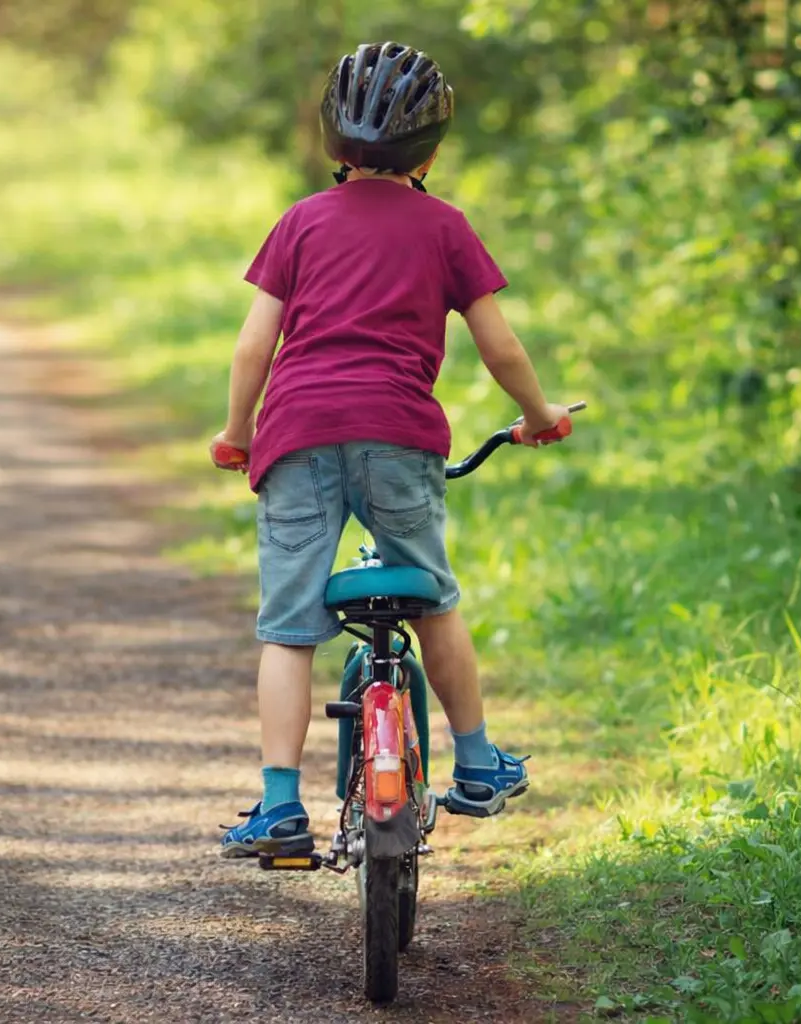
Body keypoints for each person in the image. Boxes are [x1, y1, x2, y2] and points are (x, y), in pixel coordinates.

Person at [211, 43, 575, 857]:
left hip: (297, 434)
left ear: (333, 145)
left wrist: (237, 436)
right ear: (433, 151)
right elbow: (501, 347)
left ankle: (278, 808)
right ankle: (477, 763)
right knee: (434, 598)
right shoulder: (446, 227)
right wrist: (539, 413)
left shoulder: (301, 221)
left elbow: (252, 348)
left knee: (288, 629)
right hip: (398, 436)